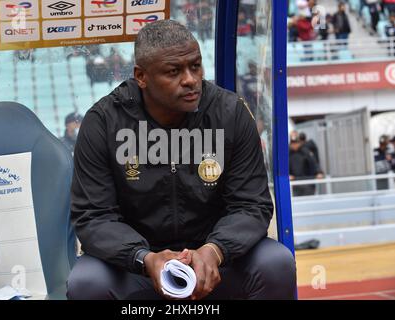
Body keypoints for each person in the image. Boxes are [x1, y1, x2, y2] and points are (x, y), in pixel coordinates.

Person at [66, 20, 296, 300]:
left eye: (195, 66)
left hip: (216, 261)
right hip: (137, 268)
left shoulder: (231, 113)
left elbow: (251, 204)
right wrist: (144, 258)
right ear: (141, 76)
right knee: (87, 282)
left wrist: (215, 250)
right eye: (174, 71)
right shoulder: (103, 122)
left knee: (275, 263)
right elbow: (94, 216)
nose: (190, 79)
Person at [289, 131, 323, 196]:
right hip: (295, 184)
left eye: (296, 143)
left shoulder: (306, 152)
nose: (294, 145)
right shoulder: (288, 153)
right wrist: (287, 175)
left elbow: (314, 163)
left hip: (307, 183)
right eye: (292, 143)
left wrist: (319, 172)